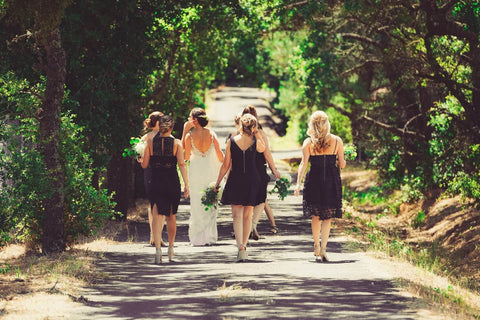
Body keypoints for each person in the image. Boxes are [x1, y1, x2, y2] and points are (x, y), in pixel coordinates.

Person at [294, 111, 346, 262]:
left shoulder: (307, 143)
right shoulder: (337, 141)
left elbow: (303, 164)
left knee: (316, 216)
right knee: (327, 217)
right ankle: (324, 249)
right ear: (326, 124)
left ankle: (316, 245)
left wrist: (298, 183)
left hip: (314, 181)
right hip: (331, 181)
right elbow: (342, 164)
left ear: (312, 125)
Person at [214, 114, 265, 261]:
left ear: (241, 125)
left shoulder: (231, 141)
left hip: (236, 179)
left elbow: (225, 164)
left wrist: (217, 183)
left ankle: (240, 247)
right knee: (247, 215)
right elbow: (263, 149)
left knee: (236, 216)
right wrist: (256, 133)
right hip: (252, 179)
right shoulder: (256, 141)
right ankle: (244, 245)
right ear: (254, 127)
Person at [141, 115, 189, 264]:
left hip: (155, 180)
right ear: (172, 128)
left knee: (156, 214)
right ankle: (171, 247)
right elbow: (181, 164)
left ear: (159, 127)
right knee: (171, 216)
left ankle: (157, 250)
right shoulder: (177, 144)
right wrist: (187, 184)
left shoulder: (149, 142)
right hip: (171, 181)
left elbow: (144, 165)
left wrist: (140, 157)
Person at [183, 108, 224, 246]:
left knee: (197, 203)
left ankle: (198, 239)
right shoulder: (212, 134)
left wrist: (184, 131)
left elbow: (186, 156)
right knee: (210, 200)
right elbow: (219, 155)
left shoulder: (189, 136)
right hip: (210, 170)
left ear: (195, 120)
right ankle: (209, 237)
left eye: (190, 117)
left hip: (196, 171)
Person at [241, 105, 281, 240]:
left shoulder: (237, 134)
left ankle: (245, 227)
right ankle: (252, 225)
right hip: (259, 168)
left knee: (245, 198)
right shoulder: (260, 133)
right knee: (261, 199)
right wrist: (273, 169)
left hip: (243, 169)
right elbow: (267, 153)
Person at [140, 111, 166, 247]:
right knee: (156, 204)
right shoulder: (148, 137)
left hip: (158, 172)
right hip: (153, 171)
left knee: (157, 204)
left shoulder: (147, 137)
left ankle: (156, 236)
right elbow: (139, 155)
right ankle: (155, 235)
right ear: (156, 122)